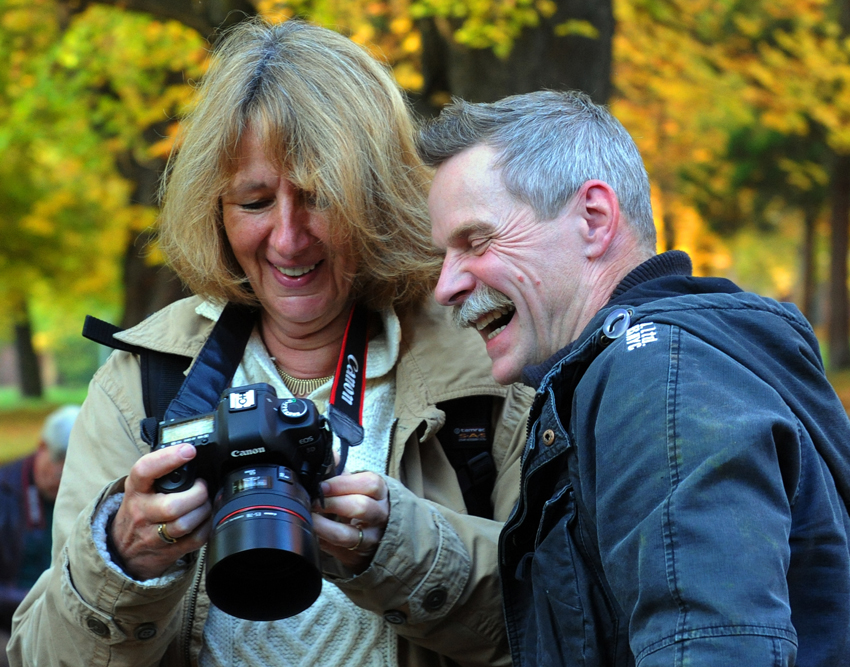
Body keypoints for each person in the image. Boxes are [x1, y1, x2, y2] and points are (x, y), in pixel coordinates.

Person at [9, 18, 531, 667]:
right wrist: (123, 558)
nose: (288, 239)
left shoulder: (485, 373)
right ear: (215, 210)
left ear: (374, 198)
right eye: (255, 201)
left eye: (318, 196)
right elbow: (36, 656)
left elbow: (557, 623)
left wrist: (397, 546)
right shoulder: (143, 383)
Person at [418, 90, 850, 667]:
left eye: (476, 240)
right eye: (444, 254)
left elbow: (717, 652)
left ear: (594, 218)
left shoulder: (657, 382)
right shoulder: (676, 362)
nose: (447, 285)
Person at [0, 406, 80, 648]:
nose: (62, 475)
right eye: (58, 462)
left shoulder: (88, 489)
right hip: (10, 619)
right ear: (42, 446)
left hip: (70, 616)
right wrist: (42, 601)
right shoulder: (5, 492)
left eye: (73, 467)